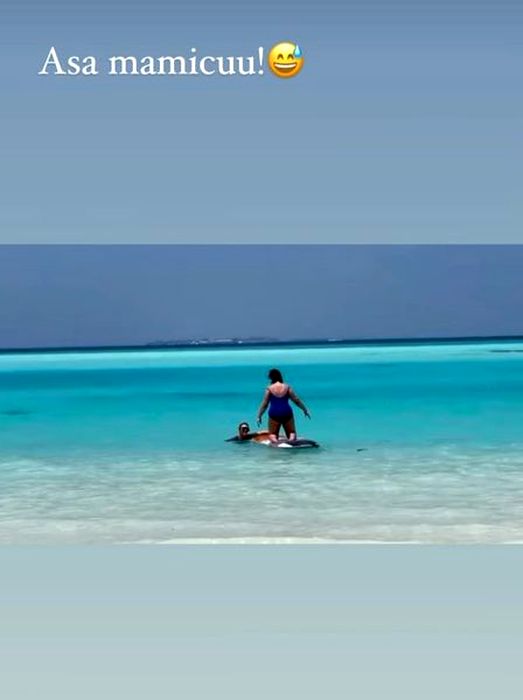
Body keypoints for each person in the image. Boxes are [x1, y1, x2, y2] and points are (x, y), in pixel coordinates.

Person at [256, 368, 310, 443]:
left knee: (272, 434)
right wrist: (305, 409)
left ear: (271, 378)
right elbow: (296, 400)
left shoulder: (269, 388)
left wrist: (259, 416)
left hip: (274, 413)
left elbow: (265, 404)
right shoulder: (287, 387)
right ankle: (291, 440)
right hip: (286, 412)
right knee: (291, 432)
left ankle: (275, 442)